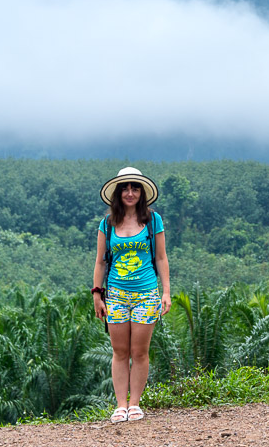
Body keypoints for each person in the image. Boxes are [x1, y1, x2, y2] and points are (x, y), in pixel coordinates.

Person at [92, 167, 171, 423]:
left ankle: (135, 404)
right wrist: (97, 294)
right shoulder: (107, 223)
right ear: (117, 192)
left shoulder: (153, 220)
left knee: (139, 352)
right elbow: (101, 262)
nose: (130, 192)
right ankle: (120, 404)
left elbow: (161, 257)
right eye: (125, 188)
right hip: (115, 293)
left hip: (146, 293)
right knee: (119, 351)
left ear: (142, 192)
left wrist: (166, 292)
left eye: (135, 188)